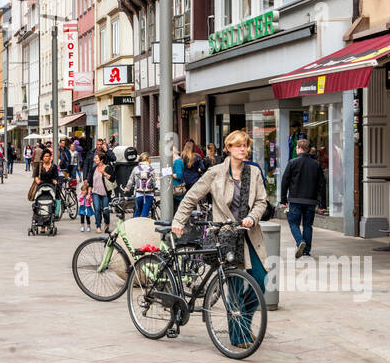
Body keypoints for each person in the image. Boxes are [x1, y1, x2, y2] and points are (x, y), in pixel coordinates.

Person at [172, 130, 270, 331]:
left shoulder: (254, 172)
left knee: (261, 281)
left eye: (246, 145)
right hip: (226, 236)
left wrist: (252, 217)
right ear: (229, 148)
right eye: (239, 145)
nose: (244, 149)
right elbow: (191, 197)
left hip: (249, 234)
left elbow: (261, 201)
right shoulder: (215, 173)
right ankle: (238, 334)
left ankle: (243, 315)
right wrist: (179, 221)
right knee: (233, 286)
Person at [280, 137, 328, 259]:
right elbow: (322, 185)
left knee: (293, 223)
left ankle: (300, 241)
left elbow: (284, 181)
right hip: (310, 201)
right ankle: (306, 250)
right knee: (307, 225)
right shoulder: (316, 165)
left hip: (295, 200)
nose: (296, 149)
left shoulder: (292, 163)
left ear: (300, 149)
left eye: (296, 147)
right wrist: (322, 204)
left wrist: (283, 199)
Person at [33, 149, 62, 218]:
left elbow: (56, 176)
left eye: (47, 156)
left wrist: (55, 180)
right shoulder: (39, 166)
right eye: (45, 156)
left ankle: (56, 212)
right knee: (37, 197)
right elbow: (36, 175)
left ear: (50, 157)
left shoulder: (53, 166)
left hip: (51, 185)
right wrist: (37, 180)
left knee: (57, 196)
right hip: (41, 185)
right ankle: (38, 210)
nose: (46, 158)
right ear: (42, 157)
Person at [91, 152, 113, 233]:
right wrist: (89, 193)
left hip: (105, 193)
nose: (94, 160)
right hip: (95, 192)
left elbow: (112, 179)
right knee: (97, 209)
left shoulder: (108, 168)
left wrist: (103, 173)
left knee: (105, 210)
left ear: (101, 160)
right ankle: (98, 225)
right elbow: (90, 181)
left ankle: (107, 223)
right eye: (95, 158)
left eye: (96, 158)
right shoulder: (94, 169)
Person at [131, 152, 156, 218]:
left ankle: (134, 227)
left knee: (137, 213)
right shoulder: (151, 169)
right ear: (147, 159)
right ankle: (142, 227)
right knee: (144, 214)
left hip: (138, 193)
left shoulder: (136, 168)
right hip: (149, 194)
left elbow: (131, 180)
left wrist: (126, 189)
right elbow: (153, 183)